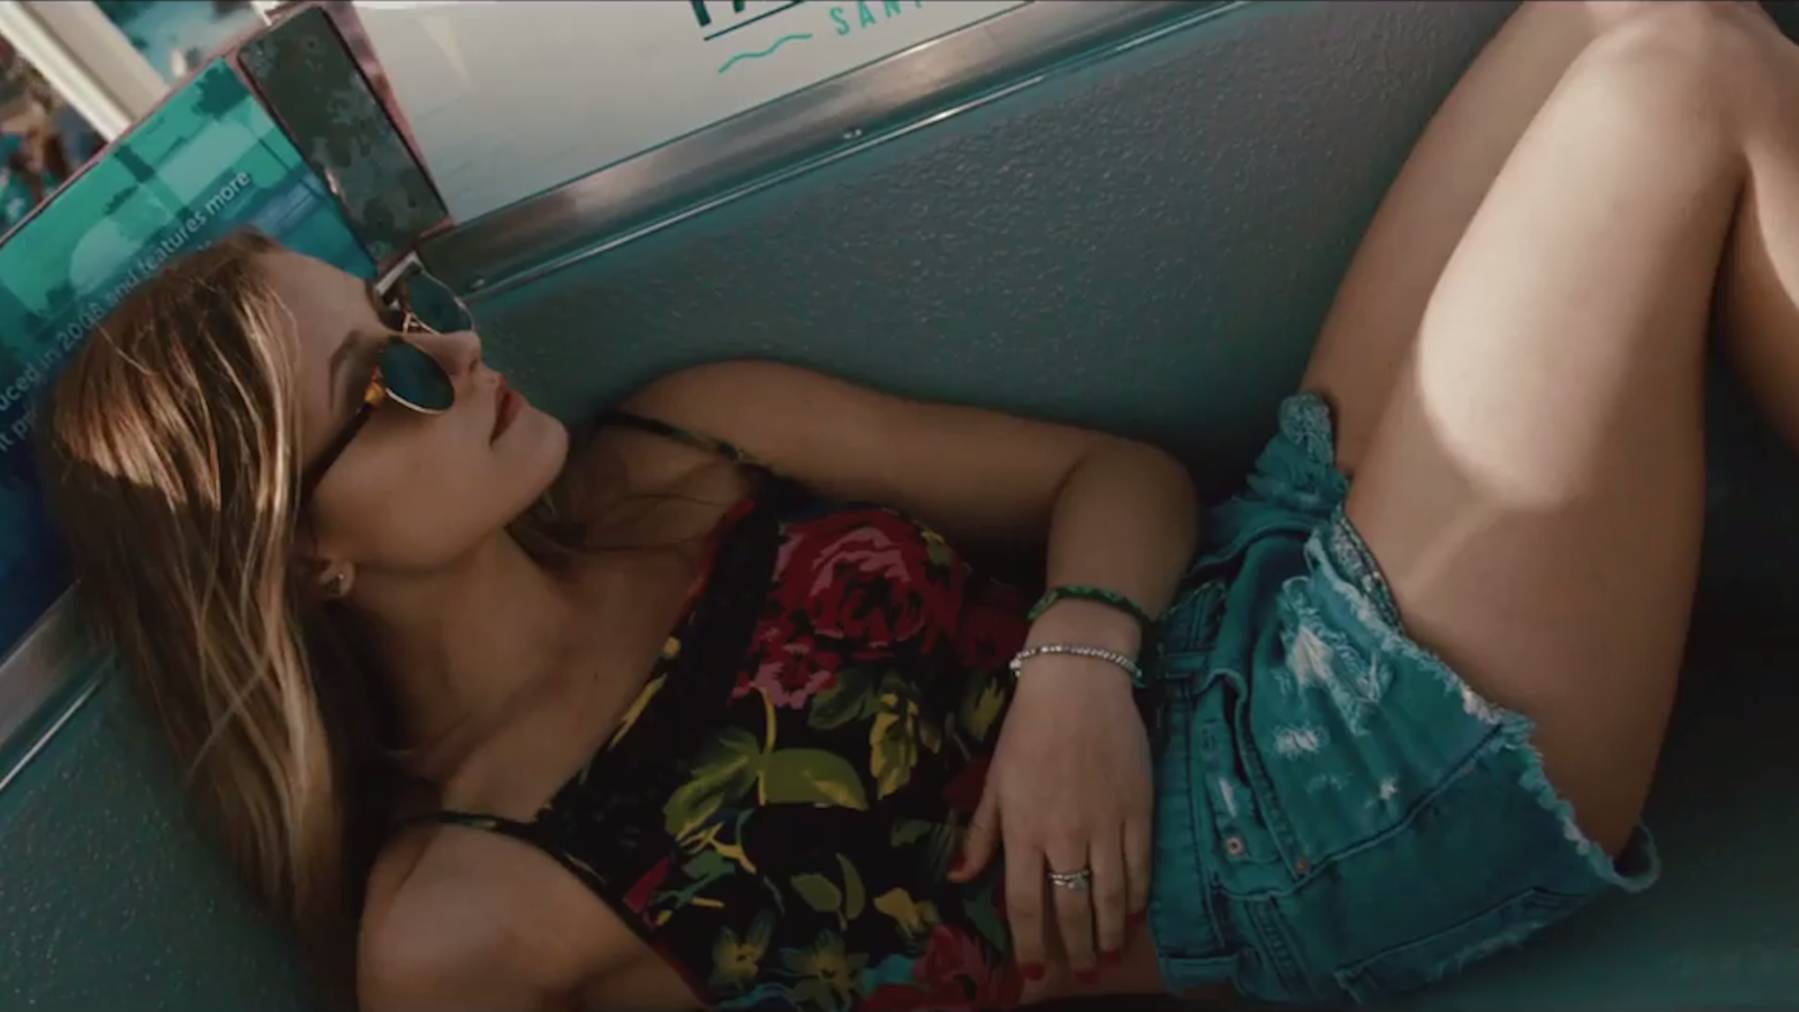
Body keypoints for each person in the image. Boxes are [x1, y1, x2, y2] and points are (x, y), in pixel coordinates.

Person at [34, 1, 1799, 1008]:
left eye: (408, 304)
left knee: (1622, 11)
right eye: (388, 381)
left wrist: (1077, 670)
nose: (456, 346)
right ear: (307, 562)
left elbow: (1106, 477)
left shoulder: (679, 445)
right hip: (1289, 830)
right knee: (1681, 84)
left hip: (1230, 605)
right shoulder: (458, 916)